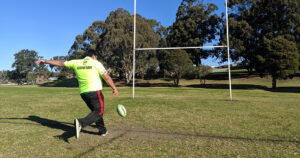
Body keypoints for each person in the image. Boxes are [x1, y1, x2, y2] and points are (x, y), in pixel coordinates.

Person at [35, 51, 118, 139]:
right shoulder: (96, 63)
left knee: (95, 111)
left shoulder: (76, 62)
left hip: (84, 94)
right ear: (94, 56)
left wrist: (45, 61)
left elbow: (60, 63)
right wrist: (114, 88)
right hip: (95, 91)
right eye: (96, 57)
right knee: (99, 112)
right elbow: (107, 77)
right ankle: (80, 123)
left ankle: (102, 130)